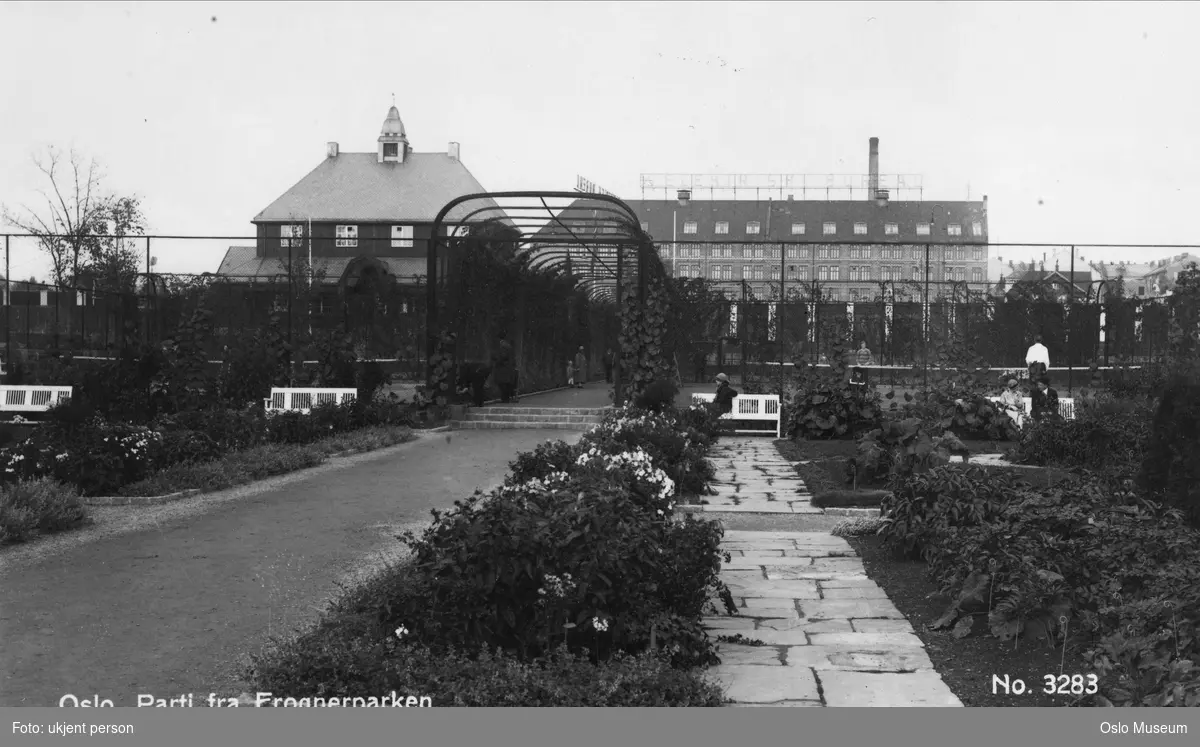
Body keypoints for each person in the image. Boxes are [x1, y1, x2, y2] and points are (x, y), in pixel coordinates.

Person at [491, 330, 516, 403]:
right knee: (505, 383)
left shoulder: (503, 345)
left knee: (502, 383)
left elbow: (503, 356)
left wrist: (495, 359)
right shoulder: (507, 345)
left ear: (498, 338)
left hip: (503, 367)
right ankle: (506, 398)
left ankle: (505, 398)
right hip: (508, 367)